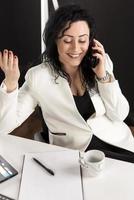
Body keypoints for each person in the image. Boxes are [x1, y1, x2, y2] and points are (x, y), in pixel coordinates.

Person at [0, 5, 134, 161]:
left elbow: (119, 115)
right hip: (76, 154)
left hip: (116, 143)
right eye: (68, 40)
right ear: (55, 40)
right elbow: (4, 126)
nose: (76, 48)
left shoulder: (101, 62)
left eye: (82, 40)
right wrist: (10, 83)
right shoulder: (38, 76)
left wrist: (103, 76)